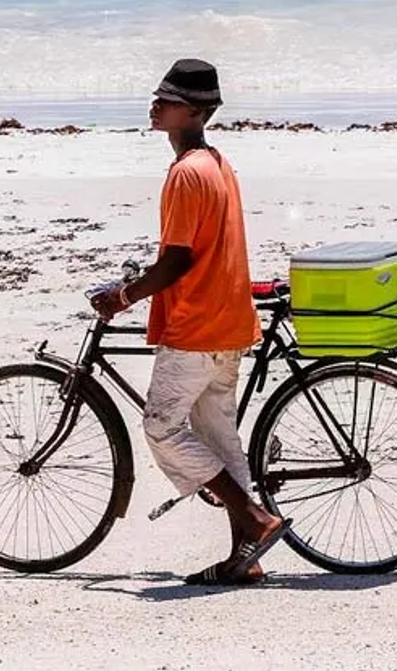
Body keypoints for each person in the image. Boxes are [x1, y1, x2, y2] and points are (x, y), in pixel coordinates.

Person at [89, 58, 290, 585]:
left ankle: (254, 519)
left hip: (197, 326)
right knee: (221, 439)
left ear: (196, 111)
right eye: (158, 95)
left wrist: (124, 295)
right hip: (230, 322)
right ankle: (246, 557)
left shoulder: (185, 174)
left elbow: (177, 261)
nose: (156, 104)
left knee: (160, 425)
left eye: (169, 99)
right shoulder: (218, 163)